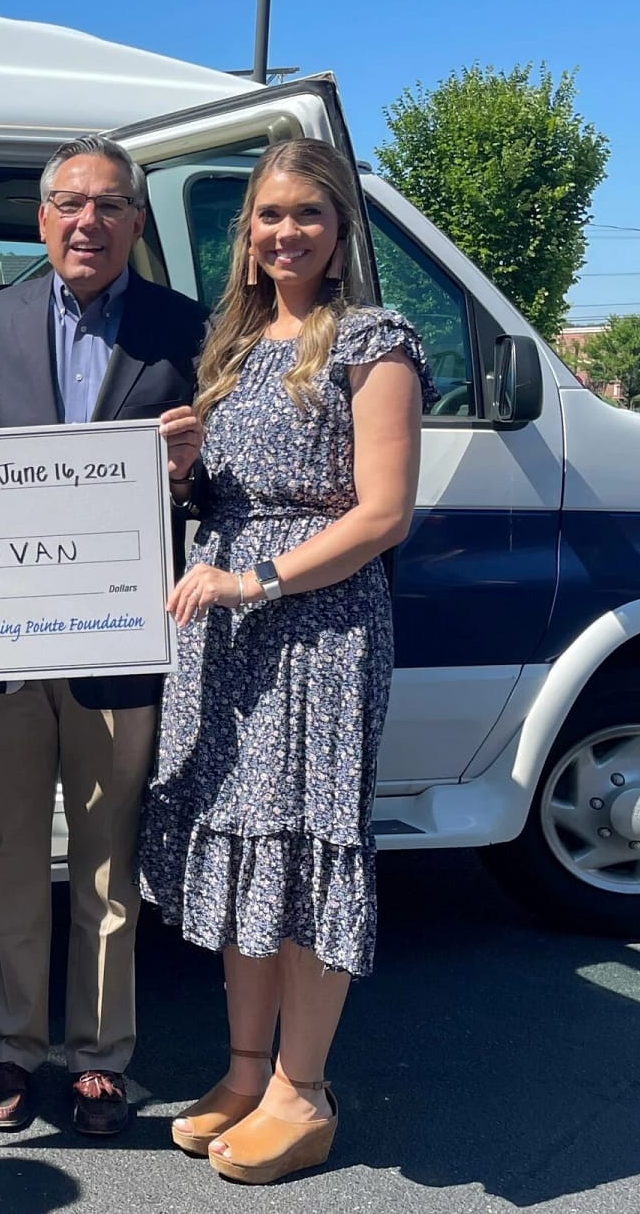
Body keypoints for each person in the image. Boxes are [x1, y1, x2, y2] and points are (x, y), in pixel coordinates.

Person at [138, 137, 430, 1184]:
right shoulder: (236, 345)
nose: (286, 232)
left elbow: (385, 513)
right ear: (246, 235)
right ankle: (246, 1069)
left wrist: (256, 581)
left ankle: (304, 1091)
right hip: (226, 631)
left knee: (303, 853)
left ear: (341, 228)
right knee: (243, 845)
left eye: (308, 213)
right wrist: (181, 471)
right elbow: (216, 502)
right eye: (269, 216)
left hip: (316, 632)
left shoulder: (374, 340)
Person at [0, 135, 206, 1136]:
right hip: (11, 643)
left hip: (119, 635)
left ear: (137, 224)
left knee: (109, 857)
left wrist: (189, 471)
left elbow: (218, 484)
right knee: (10, 850)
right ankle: (9, 1045)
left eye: (108, 206)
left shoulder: (184, 328)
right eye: (68, 203)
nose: (86, 223)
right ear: (41, 218)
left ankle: (101, 1056)